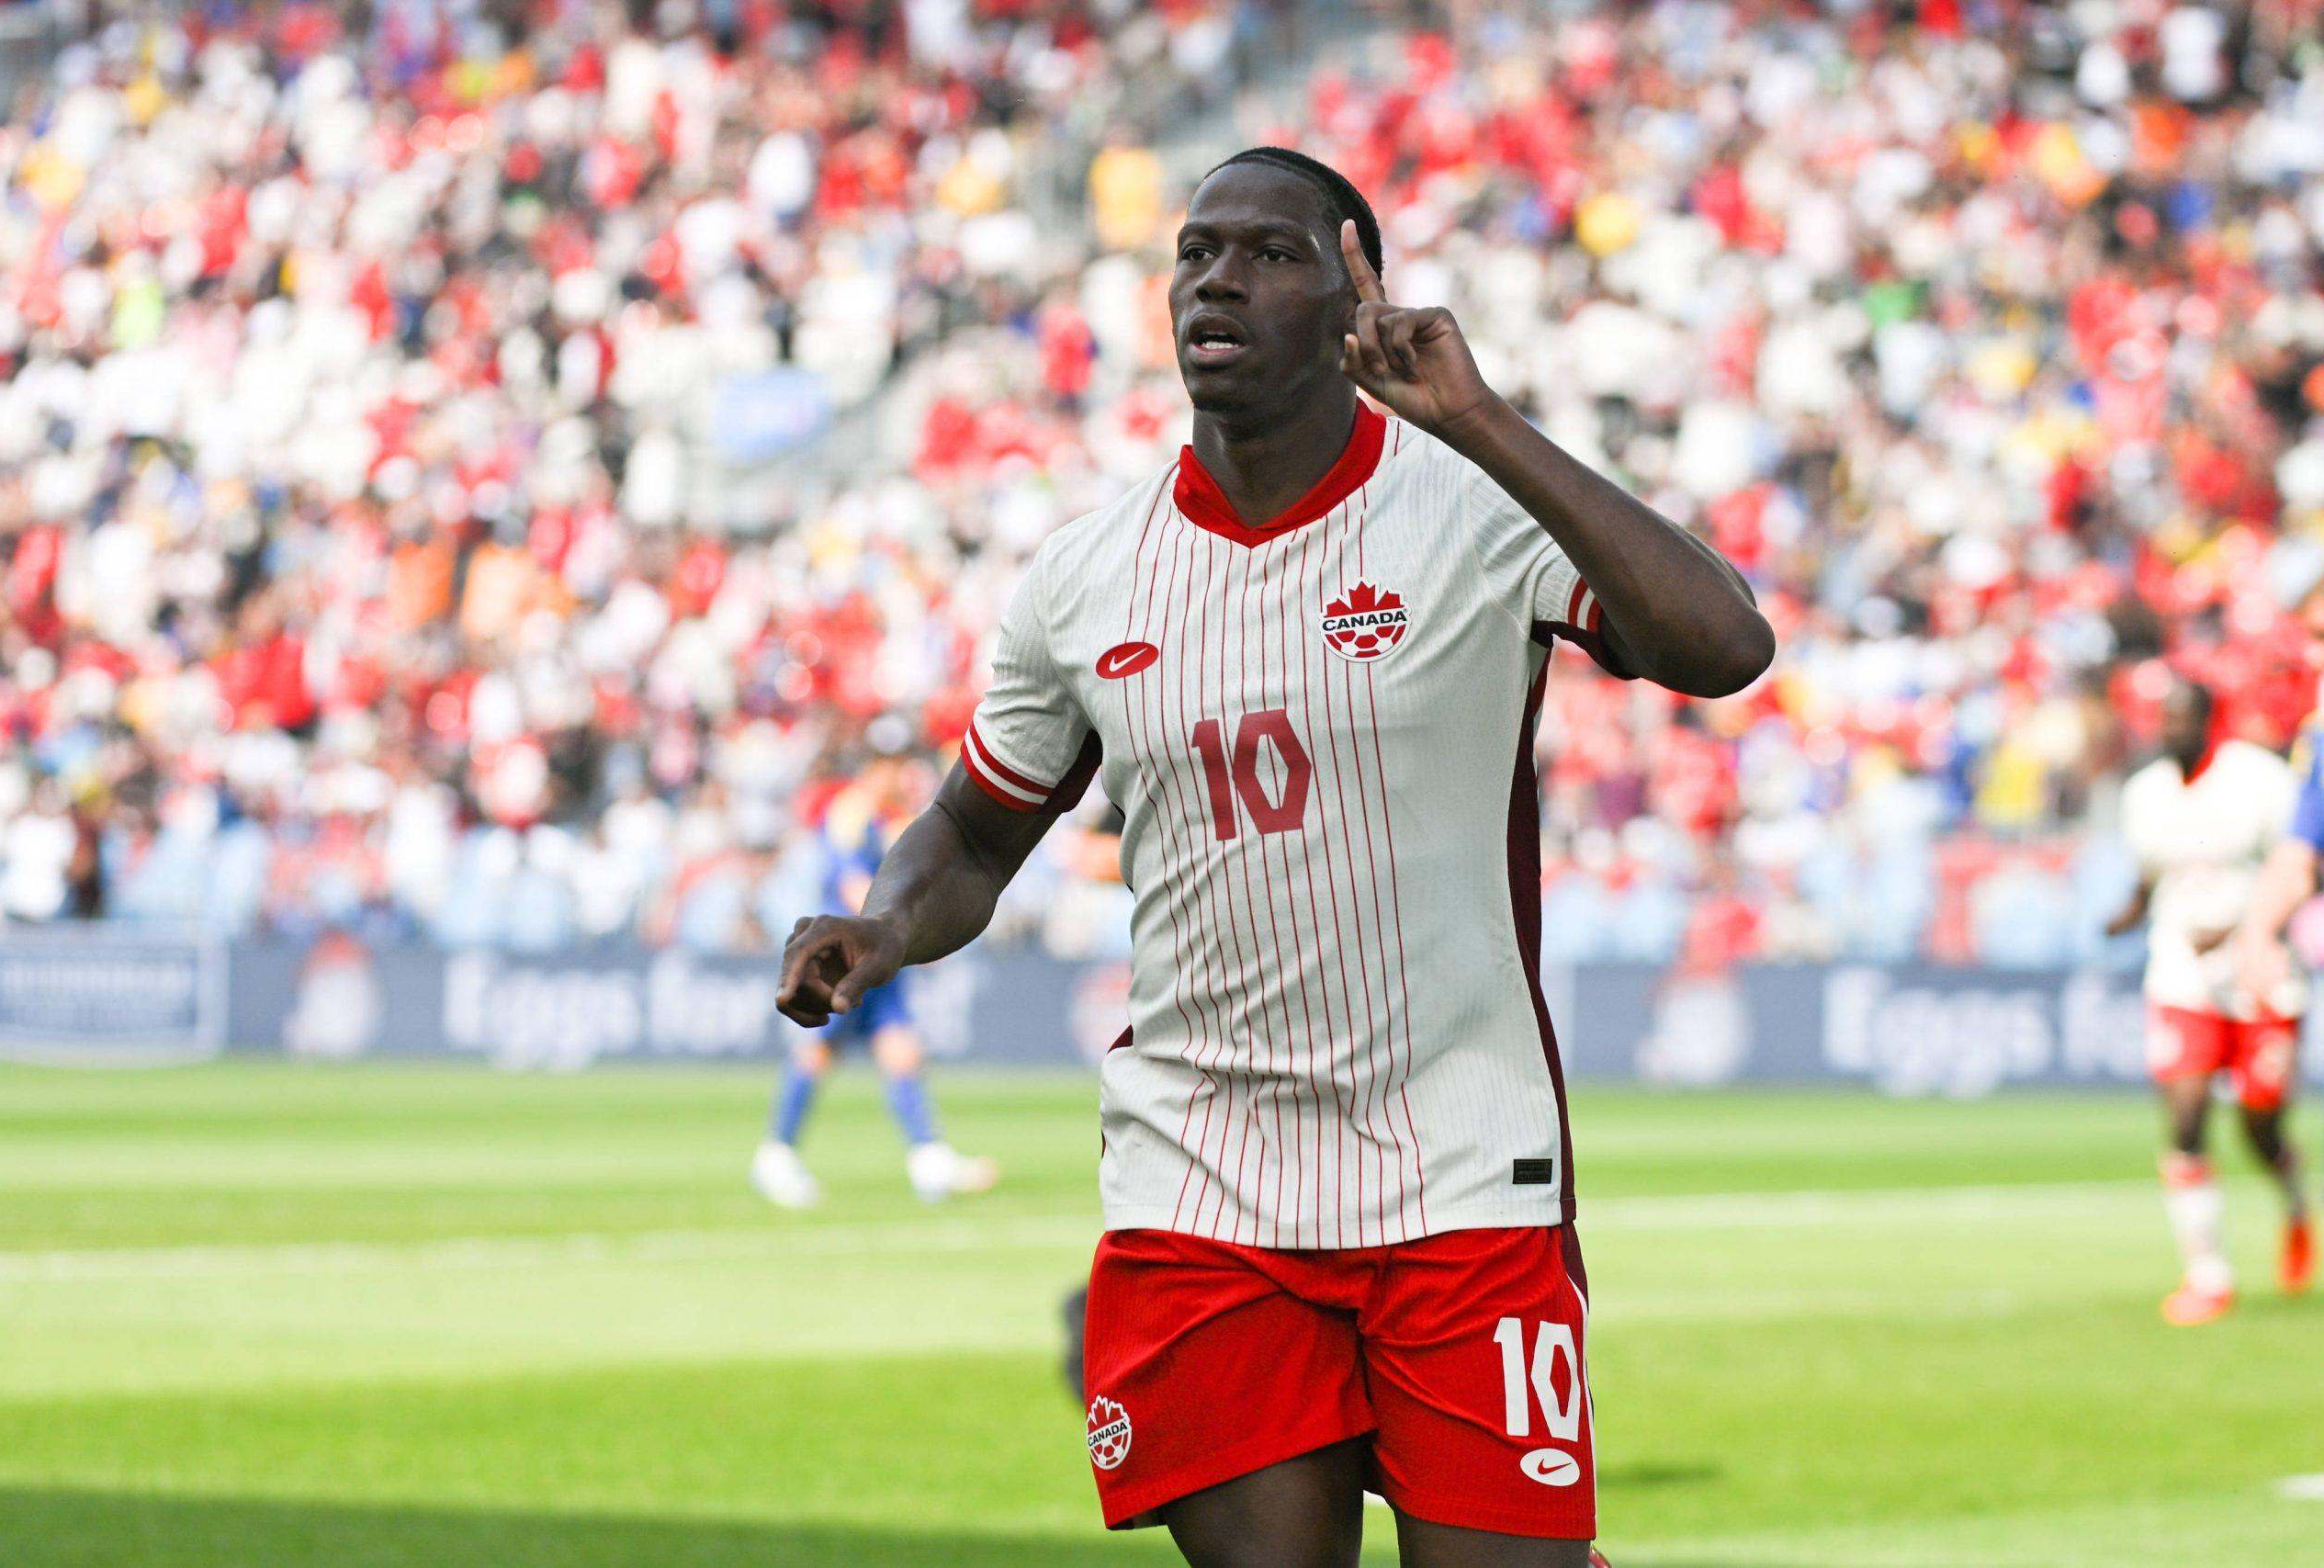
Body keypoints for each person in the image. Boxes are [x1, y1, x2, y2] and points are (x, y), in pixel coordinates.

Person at [776, 148, 1772, 1567]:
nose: (1218, 279)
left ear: (1358, 288)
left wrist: (1480, 418)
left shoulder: (1474, 508)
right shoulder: (1082, 576)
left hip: (1461, 1164)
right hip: (1204, 1179)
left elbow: (1725, 644)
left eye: (1271, 252)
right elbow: (975, 828)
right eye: (1195, 252)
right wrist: (884, 923)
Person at [2110, 678, 2312, 1325]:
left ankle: (2294, 1195)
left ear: (2209, 721)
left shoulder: (2258, 780)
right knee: (2187, 1115)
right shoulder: (2143, 793)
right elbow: (2150, 872)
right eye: (2160, 718)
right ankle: (2207, 1273)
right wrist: (2128, 913)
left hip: (2259, 970)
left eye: (2180, 718)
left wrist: (2250, 924)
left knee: (2260, 1124)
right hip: (2180, 972)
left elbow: (2307, 859)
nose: (2168, 729)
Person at [753, 755, 999, 1208]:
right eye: (893, 767)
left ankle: (928, 1157)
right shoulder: (851, 814)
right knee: (818, 1052)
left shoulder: (887, 819)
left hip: (878, 953)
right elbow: (854, 886)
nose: (902, 777)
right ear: (874, 770)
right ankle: (777, 1154)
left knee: (901, 1052)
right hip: (846, 954)